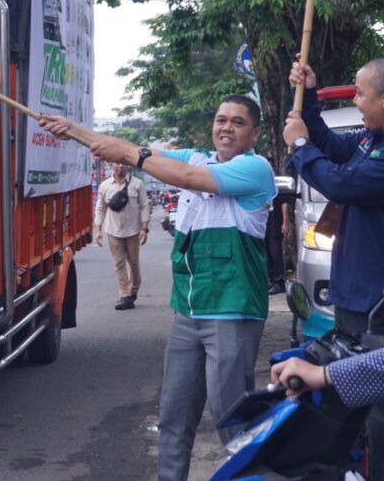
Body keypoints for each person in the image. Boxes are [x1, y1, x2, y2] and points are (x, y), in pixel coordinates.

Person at [41, 94, 276, 481]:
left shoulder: (255, 169)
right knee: (173, 419)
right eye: (221, 120)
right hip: (188, 309)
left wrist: (127, 154)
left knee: (233, 421)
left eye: (238, 122)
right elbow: (133, 148)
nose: (226, 128)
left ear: (255, 133)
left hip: (231, 309)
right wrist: (73, 131)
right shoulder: (197, 157)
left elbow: (182, 177)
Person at [285, 56, 384, 481]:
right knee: (356, 417)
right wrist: (309, 98)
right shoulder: (377, 139)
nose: (355, 100)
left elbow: (341, 183)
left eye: (359, 93)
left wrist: (299, 147)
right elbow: (332, 148)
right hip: (356, 299)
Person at [94, 162, 151, 310]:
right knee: (119, 263)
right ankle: (125, 295)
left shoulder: (137, 184)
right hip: (113, 230)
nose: (120, 167)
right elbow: (100, 208)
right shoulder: (105, 186)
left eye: (123, 164)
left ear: (127, 166)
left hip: (133, 230)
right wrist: (98, 230)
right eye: (117, 164)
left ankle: (133, 290)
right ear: (111, 165)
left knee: (134, 263)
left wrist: (144, 229)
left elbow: (145, 206)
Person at [265, 192, 288, 295]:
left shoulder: (277, 187)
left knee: (276, 254)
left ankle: (279, 282)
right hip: (263, 225)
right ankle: (269, 281)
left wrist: (285, 223)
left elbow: (284, 203)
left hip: (275, 224)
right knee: (266, 254)